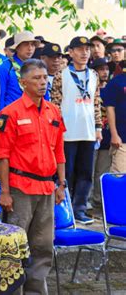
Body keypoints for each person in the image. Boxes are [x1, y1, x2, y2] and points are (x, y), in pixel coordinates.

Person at [0, 59, 66, 294]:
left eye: (45, 77)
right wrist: (4, 192)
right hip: (20, 189)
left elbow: (60, 151)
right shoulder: (10, 113)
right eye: (36, 78)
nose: (42, 82)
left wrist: (62, 184)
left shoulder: (53, 110)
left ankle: (36, 291)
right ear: (23, 82)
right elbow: (3, 156)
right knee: (14, 246)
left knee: (43, 246)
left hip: (47, 188)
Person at [50, 36, 102, 225]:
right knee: (67, 172)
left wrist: (98, 127)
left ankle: (80, 208)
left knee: (86, 172)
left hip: (87, 131)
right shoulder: (61, 75)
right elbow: (55, 105)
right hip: (67, 133)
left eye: (87, 49)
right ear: (70, 52)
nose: (84, 53)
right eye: (79, 49)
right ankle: (66, 209)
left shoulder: (94, 75)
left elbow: (96, 103)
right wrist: (56, 131)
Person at [0, 31, 40, 110]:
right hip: (12, 115)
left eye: (32, 45)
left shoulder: (37, 68)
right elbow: (0, 96)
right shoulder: (6, 67)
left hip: (33, 114)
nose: (30, 48)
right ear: (17, 47)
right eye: (26, 45)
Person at [90, 58, 111, 208]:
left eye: (106, 69)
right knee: (89, 170)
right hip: (91, 135)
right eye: (101, 69)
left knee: (102, 171)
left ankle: (99, 200)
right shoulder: (89, 89)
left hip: (108, 137)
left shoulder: (111, 89)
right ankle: (87, 200)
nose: (105, 72)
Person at [102, 68, 126, 173]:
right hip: (122, 140)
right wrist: (114, 134)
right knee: (120, 177)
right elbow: (109, 108)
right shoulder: (117, 82)